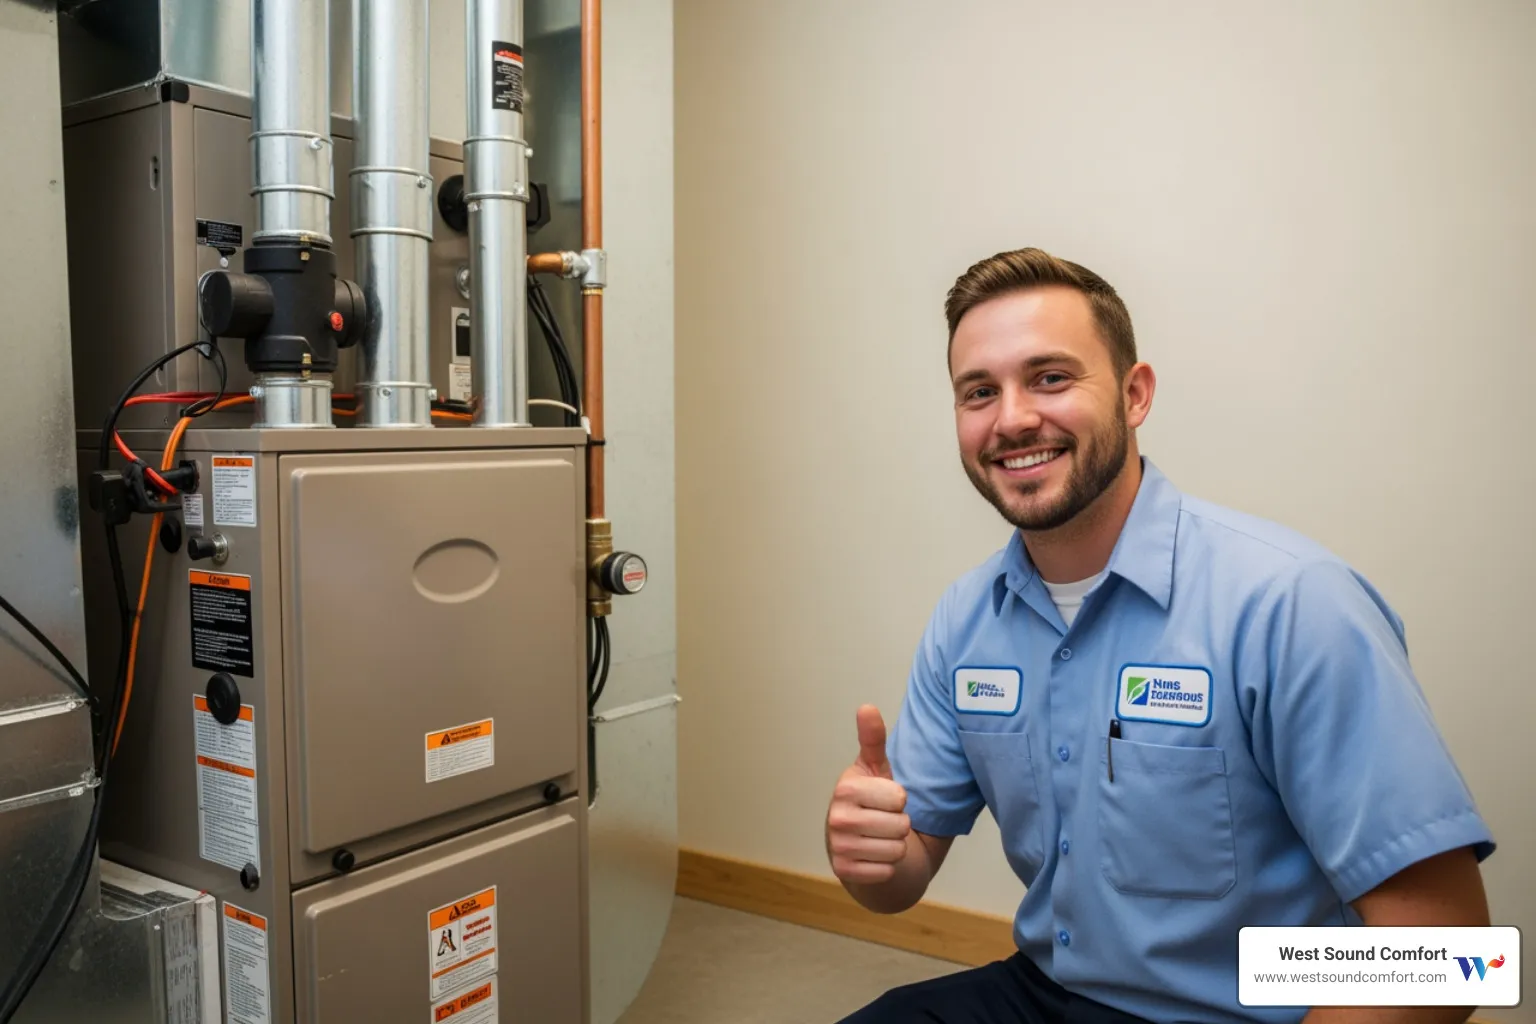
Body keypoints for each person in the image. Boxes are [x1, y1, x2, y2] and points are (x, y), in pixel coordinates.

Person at [825, 248, 1496, 1024]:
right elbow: (902, 880)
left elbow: (1450, 954)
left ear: (1134, 394)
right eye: (980, 392)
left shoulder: (1291, 603)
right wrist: (870, 856)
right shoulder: (967, 618)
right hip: (1048, 989)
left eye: (1050, 377)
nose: (1011, 419)